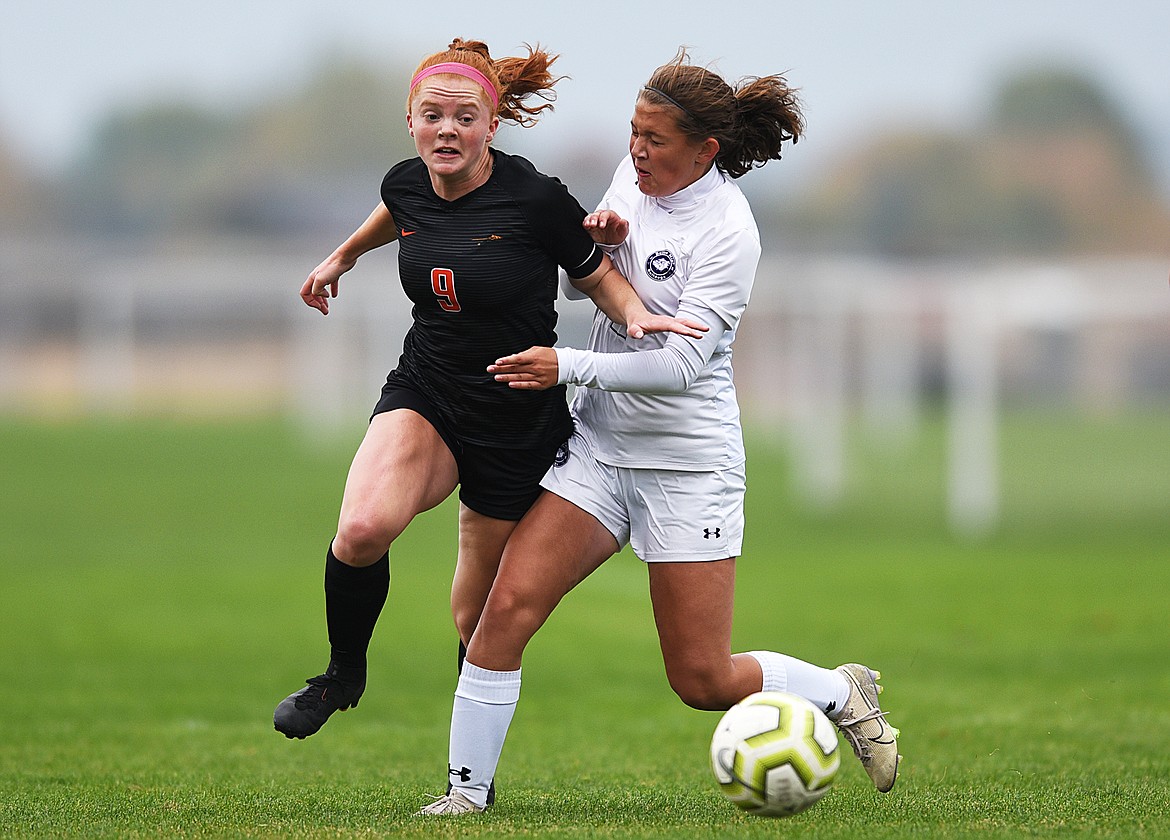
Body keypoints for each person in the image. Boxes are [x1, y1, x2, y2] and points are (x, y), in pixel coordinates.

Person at [419, 49, 900, 817]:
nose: (637, 151)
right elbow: (615, 275)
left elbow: (679, 366)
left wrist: (566, 366)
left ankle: (840, 691)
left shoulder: (730, 234)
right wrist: (605, 237)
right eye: (633, 133)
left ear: (705, 151)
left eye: (655, 140)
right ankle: (463, 798)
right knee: (498, 616)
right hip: (599, 454)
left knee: (701, 681)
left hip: (686, 468)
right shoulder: (631, 177)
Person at [273, 38, 704, 745]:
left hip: (516, 416)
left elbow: (597, 276)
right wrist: (342, 256)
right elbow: (399, 212)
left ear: (492, 126)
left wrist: (637, 317)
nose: (448, 129)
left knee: (478, 624)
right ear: (411, 121)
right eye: (432, 116)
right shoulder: (405, 182)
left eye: (465, 118)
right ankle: (342, 675)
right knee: (360, 530)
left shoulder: (536, 199)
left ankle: (469, 778)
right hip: (429, 389)